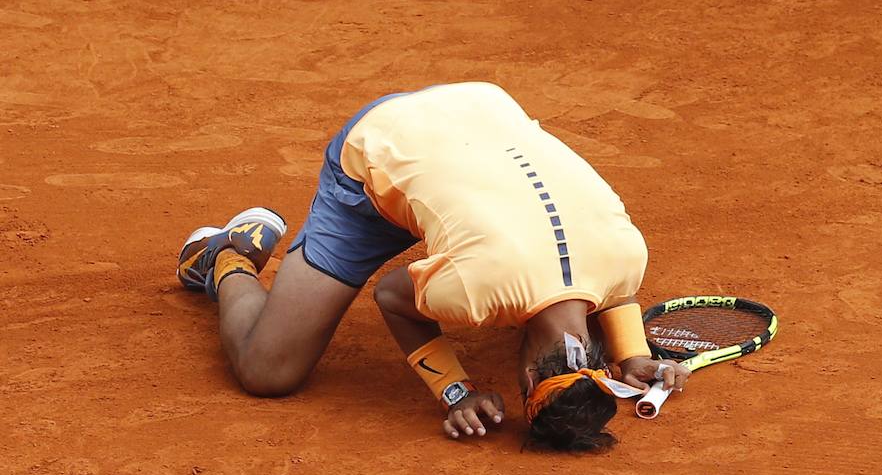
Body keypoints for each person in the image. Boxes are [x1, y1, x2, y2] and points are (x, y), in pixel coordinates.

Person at [176, 82, 689, 451]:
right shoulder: (476, 290)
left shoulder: (628, 258)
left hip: (480, 105)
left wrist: (632, 352)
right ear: (529, 378)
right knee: (269, 370)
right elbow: (394, 296)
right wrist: (455, 391)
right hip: (384, 146)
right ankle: (225, 256)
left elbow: (616, 294)